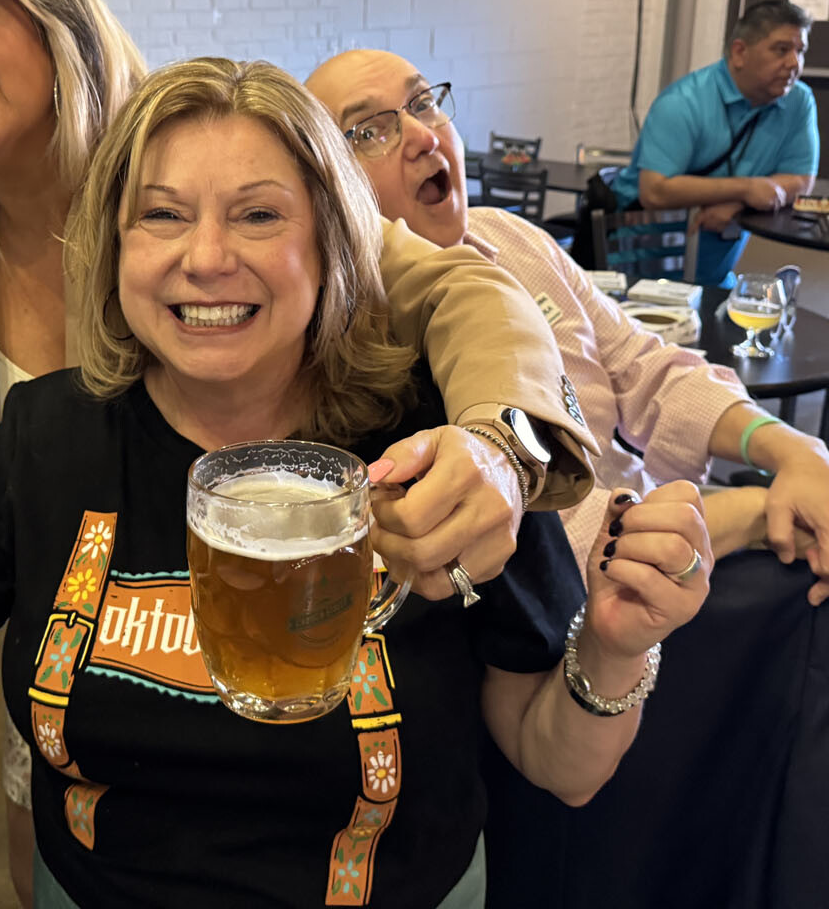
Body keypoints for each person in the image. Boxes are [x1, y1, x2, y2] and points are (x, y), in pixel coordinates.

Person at [0, 58, 711, 908]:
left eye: (257, 215)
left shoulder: (439, 451)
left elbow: (562, 764)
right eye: (160, 215)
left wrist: (619, 644)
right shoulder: (50, 435)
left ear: (333, 246)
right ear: (112, 248)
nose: (205, 258)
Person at [0, 0, 598, 902]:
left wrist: (496, 441)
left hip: (337, 808)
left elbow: (456, 288)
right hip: (64, 629)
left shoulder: (189, 137)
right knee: (53, 826)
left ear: (52, 11)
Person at [305, 48, 829, 604]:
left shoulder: (508, 237)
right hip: (604, 607)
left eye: (424, 103)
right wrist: (754, 511)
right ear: (328, 192)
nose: (423, 136)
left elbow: (644, 365)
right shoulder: (367, 345)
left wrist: (791, 450)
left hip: (676, 526)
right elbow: (553, 544)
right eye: (369, 132)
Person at [609, 0, 819, 287]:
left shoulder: (798, 101)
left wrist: (737, 204)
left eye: (800, 51)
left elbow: (800, 180)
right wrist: (747, 189)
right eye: (781, 50)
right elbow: (655, 191)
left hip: (714, 274)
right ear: (740, 52)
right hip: (640, 273)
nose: (794, 63)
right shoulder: (683, 103)